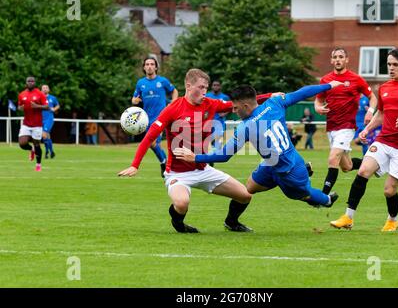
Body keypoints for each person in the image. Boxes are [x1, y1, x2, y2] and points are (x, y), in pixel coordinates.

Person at [118, 69, 275, 234]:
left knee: (245, 196)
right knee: (182, 203)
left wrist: (270, 96)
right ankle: (178, 224)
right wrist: (135, 165)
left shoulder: (210, 103)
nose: (204, 91)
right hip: (178, 174)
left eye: (206, 87)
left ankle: (232, 222)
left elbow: (235, 104)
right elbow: (149, 138)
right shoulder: (173, 108)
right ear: (188, 86)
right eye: (201, 87)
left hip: (203, 169)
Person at [173, 81, 344, 212]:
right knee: (248, 189)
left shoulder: (245, 127)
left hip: (289, 172)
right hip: (271, 164)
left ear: (245, 106)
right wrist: (329, 85)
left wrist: (194, 157)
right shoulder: (275, 103)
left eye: (236, 107)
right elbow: (302, 92)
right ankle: (232, 222)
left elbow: (224, 156)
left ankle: (327, 200)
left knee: (304, 194)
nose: (234, 111)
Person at [330, 48, 398, 232]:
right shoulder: (384, 87)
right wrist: (367, 129)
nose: (391, 68)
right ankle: (348, 217)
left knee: (389, 190)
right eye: (389, 64)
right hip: (383, 141)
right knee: (362, 171)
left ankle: (393, 219)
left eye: (396, 65)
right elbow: (382, 114)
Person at [315, 47, 378, 195]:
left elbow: (373, 98)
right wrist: (318, 107)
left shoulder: (356, 79)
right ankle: (375, 163)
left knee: (332, 158)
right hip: (331, 127)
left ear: (346, 60)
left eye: (341, 57)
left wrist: (370, 112)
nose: (338, 59)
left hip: (347, 127)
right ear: (331, 60)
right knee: (346, 166)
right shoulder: (326, 80)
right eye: (335, 57)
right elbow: (318, 100)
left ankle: (323, 197)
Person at [131, 56, 179, 178]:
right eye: (147, 64)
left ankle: (166, 164)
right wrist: (135, 100)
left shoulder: (162, 81)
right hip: (147, 119)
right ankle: (164, 162)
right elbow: (134, 99)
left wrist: (173, 102)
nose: (149, 66)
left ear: (156, 67)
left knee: (152, 142)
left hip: (162, 117)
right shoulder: (140, 83)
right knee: (152, 144)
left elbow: (174, 91)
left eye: (152, 64)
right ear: (144, 67)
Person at [17, 76, 49, 171]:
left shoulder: (40, 94)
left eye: (32, 81)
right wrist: (20, 108)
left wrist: (37, 106)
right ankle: (31, 150)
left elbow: (47, 107)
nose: (30, 82)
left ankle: (38, 164)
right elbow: (19, 106)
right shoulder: (22, 94)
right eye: (29, 81)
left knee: (37, 144)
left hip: (37, 124)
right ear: (26, 82)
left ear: (35, 83)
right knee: (22, 143)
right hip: (26, 123)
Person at [205, 81, 230, 152]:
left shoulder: (224, 97)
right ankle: (214, 153)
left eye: (217, 85)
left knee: (217, 137)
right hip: (208, 122)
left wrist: (224, 113)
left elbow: (230, 106)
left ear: (220, 87)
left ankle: (215, 152)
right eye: (214, 85)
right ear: (211, 86)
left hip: (220, 122)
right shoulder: (207, 96)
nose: (216, 87)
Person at [41, 85, 60, 159]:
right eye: (43, 88)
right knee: (47, 136)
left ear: (49, 90)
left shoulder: (53, 98)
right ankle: (49, 152)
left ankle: (49, 151)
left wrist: (54, 109)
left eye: (46, 88)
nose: (45, 89)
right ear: (41, 90)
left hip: (49, 119)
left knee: (44, 135)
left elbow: (58, 105)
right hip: (41, 119)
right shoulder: (39, 98)